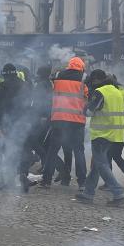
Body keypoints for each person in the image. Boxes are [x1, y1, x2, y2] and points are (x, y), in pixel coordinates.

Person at [76, 70, 124, 206]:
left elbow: (89, 111)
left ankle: (118, 193)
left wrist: (84, 106)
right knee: (97, 166)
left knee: (101, 164)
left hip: (101, 133)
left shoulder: (100, 92)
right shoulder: (117, 91)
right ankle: (88, 193)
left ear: (96, 80)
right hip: (114, 133)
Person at [39, 57, 88, 190]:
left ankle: (46, 181)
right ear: (81, 67)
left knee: (53, 150)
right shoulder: (84, 78)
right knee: (79, 151)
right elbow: (87, 98)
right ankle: (82, 183)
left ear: (69, 65)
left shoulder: (58, 76)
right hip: (77, 121)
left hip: (59, 118)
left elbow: (49, 83)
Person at [0, 63, 34, 192]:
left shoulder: (2, 86)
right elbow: (30, 104)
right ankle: (22, 173)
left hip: (8, 123)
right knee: (23, 149)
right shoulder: (25, 85)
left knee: (9, 151)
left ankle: (10, 180)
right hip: (23, 122)